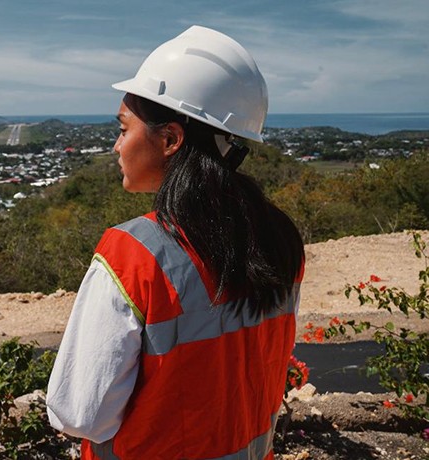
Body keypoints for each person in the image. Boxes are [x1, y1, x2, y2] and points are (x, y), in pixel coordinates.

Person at [46, 25, 304, 459]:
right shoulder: (279, 237)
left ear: (169, 139)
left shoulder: (134, 254)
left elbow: (81, 415)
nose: (117, 146)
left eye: (123, 129)